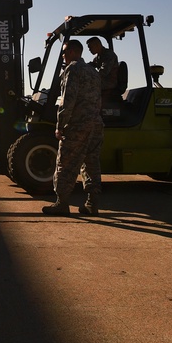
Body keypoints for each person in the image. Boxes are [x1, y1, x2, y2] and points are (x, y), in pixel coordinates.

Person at [42, 39, 104, 216]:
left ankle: (61, 204)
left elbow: (68, 100)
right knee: (91, 163)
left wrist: (60, 126)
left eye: (63, 53)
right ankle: (92, 203)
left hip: (78, 126)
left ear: (71, 52)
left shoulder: (73, 69)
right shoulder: (93, 72)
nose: (63, 56)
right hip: (96, 125)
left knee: (66, 164)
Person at [87, 36, 120, 103]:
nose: (89, 50)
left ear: (97, 45)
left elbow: (103, 72)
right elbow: (92, 65)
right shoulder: (98, 57)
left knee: (86, 85)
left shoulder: (109, 55)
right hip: (103, 81)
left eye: (90, 47)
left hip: (109, 82)